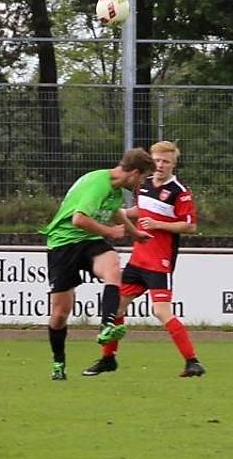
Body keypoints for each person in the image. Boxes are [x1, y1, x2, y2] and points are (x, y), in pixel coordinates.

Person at [83, 141, 205, 378]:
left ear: (174, 164)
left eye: (165, 161)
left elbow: (190, 226)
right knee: (117, 306)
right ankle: (108, 359)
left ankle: (193, 362)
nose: (160, 165)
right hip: (138, 260)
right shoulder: (145, 184)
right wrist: (120, 215)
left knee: (161, 311)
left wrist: (159, 224)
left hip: (160, 262)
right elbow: (142, 210)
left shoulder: (179, 192)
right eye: (157, 160)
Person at [40, 149, 155, 381]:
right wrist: (109, 232)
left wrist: (134, 234)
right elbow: (79, 219)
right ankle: (58, 362)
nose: (141, 184)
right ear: (134, 173)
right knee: (60, 313)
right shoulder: (98, 183)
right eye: (142, 178)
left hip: (90, 240)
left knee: (112, 266)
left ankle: (107, 325)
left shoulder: (115, 190)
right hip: (63, 243)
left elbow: (115, 213)